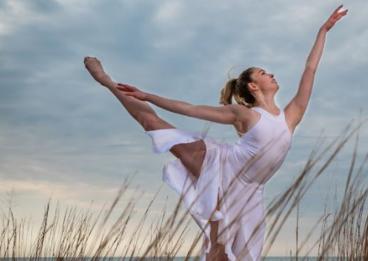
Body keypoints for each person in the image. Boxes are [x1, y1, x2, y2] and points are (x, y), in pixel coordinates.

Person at [84, 5, 347, 261]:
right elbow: (189, 109)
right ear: (253, 86)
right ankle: (107, 81)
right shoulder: (245, 114)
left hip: (251, 195)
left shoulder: (291, 117)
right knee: (152, 123)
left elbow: (310, 70)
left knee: (223, 255)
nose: (272, 74)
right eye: (264, 73)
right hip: (221, 166)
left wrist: (323, 30)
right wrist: (147, 95)